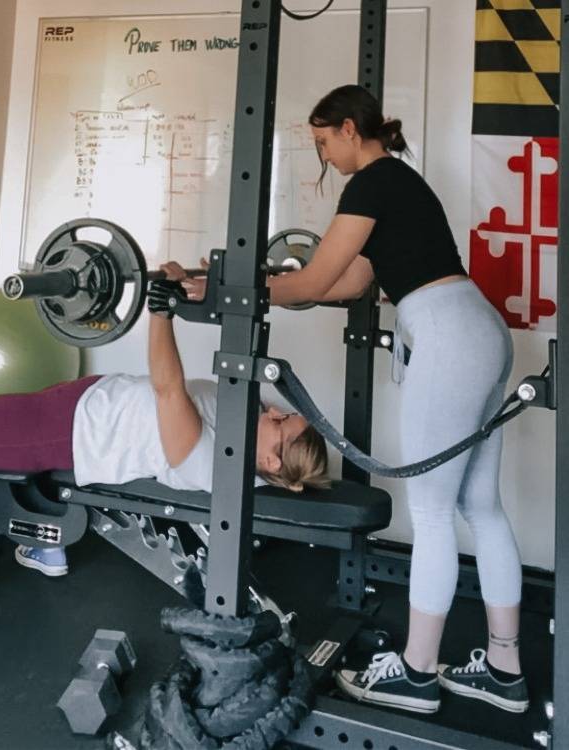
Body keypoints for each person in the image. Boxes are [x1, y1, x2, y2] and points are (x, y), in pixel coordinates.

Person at [184, 84, 526, 714]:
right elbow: (348, 283)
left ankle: (416, 675)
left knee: (431, 513)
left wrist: (228, 286)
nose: (324, 157)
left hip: (449, 337)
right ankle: (504, 671)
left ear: (349, 129)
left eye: (323, 142)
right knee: (481, 507)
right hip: (480, 331)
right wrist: (249, 282)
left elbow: (314, 279)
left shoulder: (371, 181)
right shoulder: (399, 183)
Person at [0, 264, 329, 642]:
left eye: (281, 424)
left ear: (271, 462)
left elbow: (167, 388)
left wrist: (160, 312)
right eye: (284, 413)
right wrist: (190, 282)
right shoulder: (246, 426)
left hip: (62, 430)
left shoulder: (210, 463)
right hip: (81, 405)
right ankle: (45, 543)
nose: (275, 411)